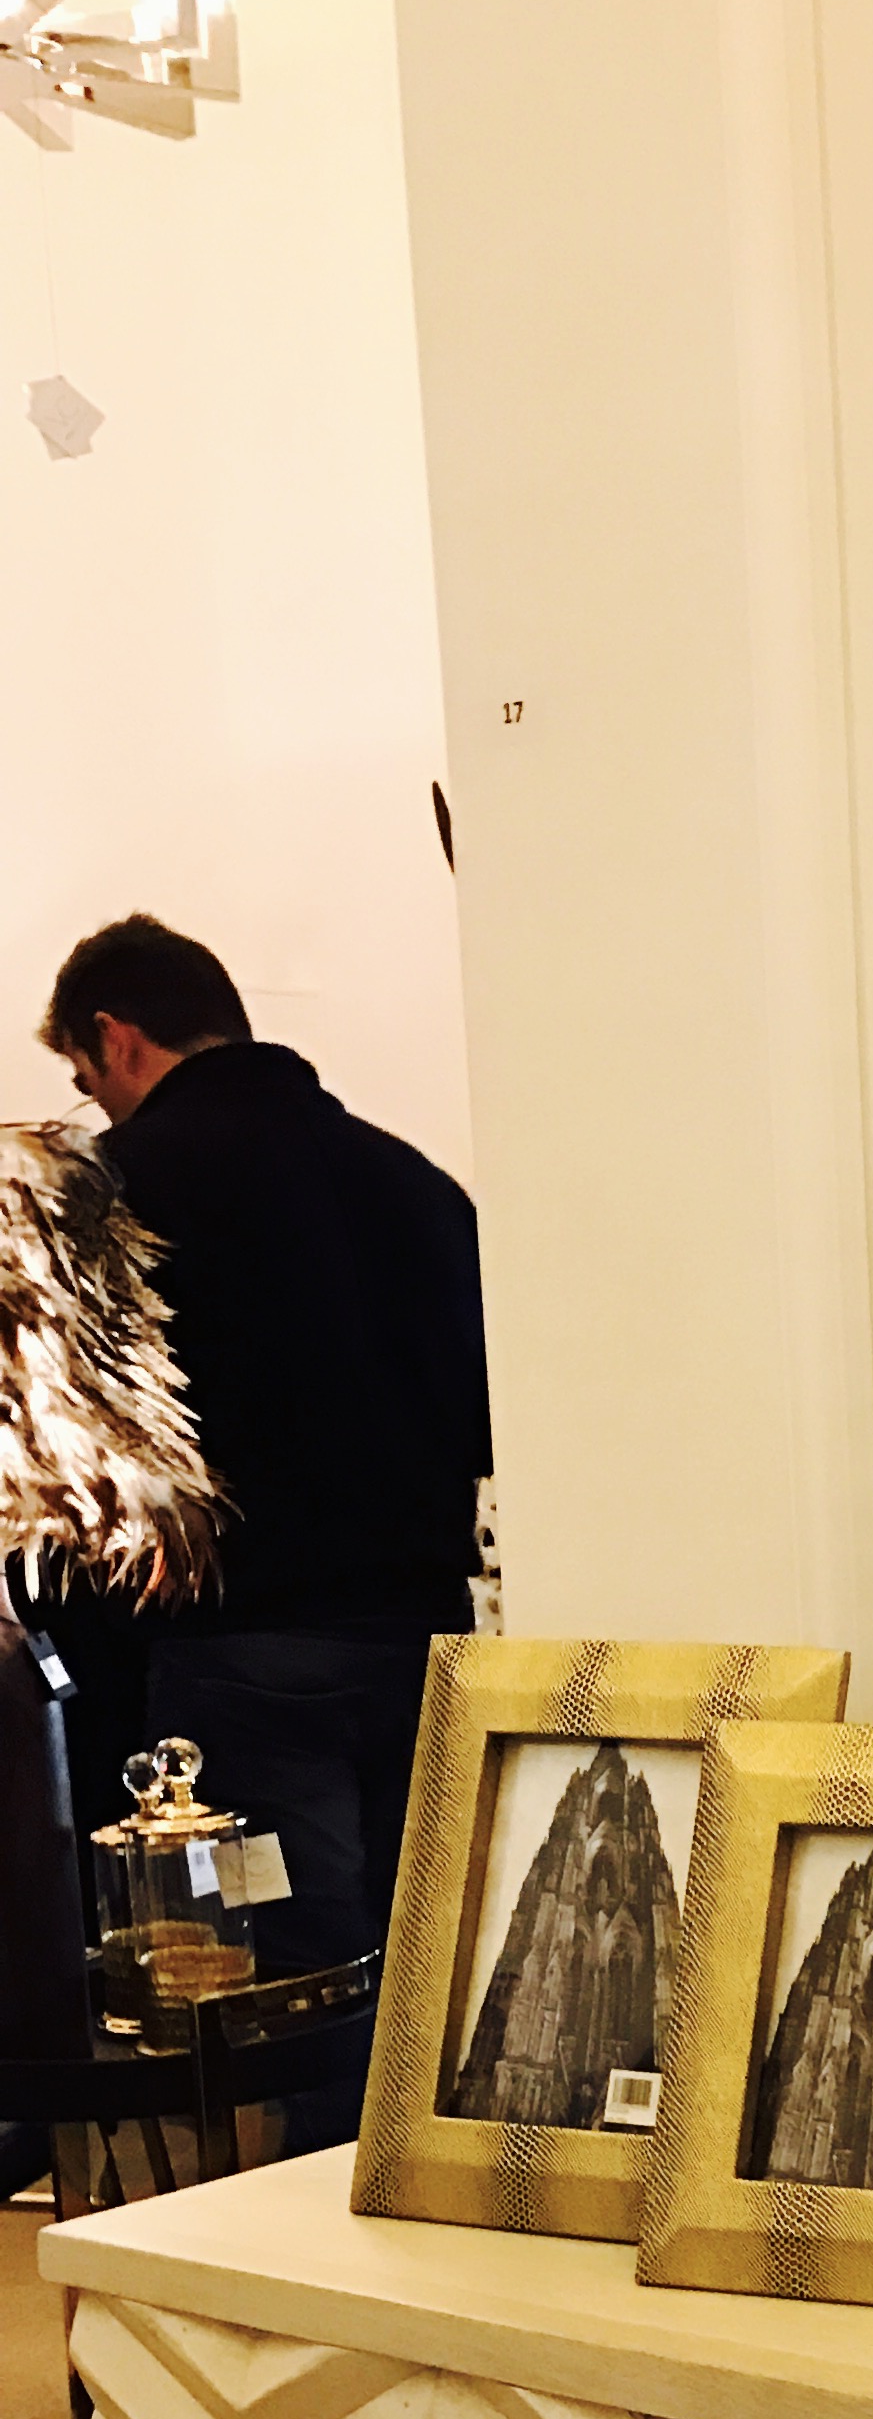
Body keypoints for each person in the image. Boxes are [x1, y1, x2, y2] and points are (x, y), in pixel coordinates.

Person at [40, 914, 489, 2142]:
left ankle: (316, 2206)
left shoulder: (111, 1193)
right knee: (422, 1944)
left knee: (296, 1972)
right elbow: (486, 1415)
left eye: (83, 1075)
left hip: (243, 1645)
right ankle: (420, 2183)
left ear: (115, 1038)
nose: (92, 1102)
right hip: (427, 1628)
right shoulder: (413, 1183)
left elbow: (78, 1453)